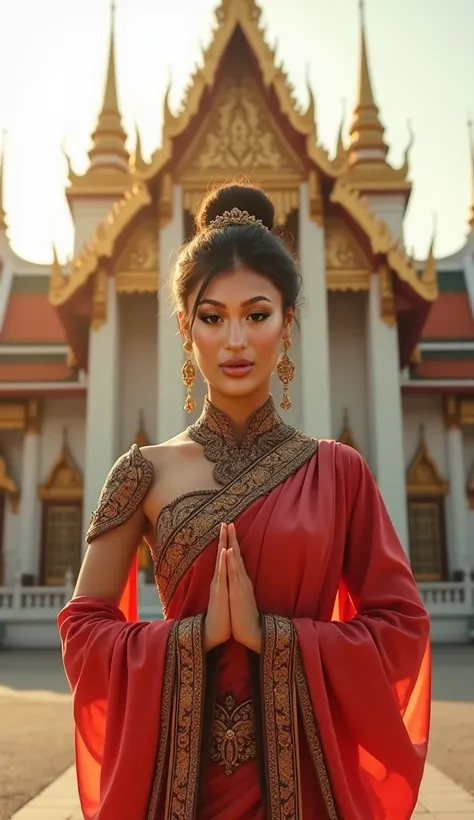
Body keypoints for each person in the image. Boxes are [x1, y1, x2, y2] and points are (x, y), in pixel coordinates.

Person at [58, 183, 431, 820]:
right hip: (183, 788)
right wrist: (195, 637)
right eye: (212, 316)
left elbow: (402, 628)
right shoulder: (140, 473)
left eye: (257, 315)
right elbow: (83, 633)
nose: (235, 339)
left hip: (307, 787)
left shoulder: (339, 473)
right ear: (186, 327)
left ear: (287, 324)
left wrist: (274, 638)